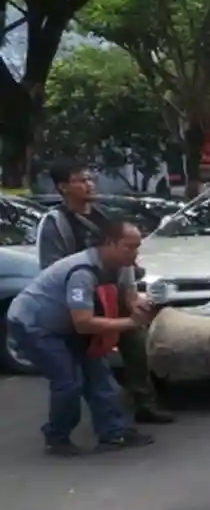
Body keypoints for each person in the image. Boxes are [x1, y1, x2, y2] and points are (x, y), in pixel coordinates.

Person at [36, 162, 173, 424]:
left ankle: (144, 401)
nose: (89, 185)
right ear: (63, 187)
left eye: (90, 179)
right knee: (85, 367)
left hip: (112, 296)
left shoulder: (103, 218)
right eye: (80, 180)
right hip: (79, 301)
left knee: (137, 340)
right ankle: (98, 419)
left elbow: (124, 263)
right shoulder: (56, 223)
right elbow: (51, 269)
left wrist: (133, 292)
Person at [7, 219, 157, 455]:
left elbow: (129, 294)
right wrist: (130, 323)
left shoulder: (123, 265)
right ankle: (57, 437)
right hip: (36, 325)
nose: (134, 253)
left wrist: (140, 305)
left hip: (67, 325)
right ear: (109, 243)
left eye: (137, 247)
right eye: (129, 247)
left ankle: (114, 433)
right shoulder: (82, 272)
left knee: (99, 375)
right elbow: (84, 323)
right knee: (68, 382)